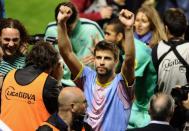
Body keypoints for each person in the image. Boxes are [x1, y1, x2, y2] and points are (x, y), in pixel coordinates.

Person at [57, 4, 135, 130]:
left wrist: (128, 28)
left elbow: (130, 59)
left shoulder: (122, 84)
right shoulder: (87, 77)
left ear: (116, 62)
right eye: (98, 58)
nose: (102, 62)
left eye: (107, 58)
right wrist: (61, 24)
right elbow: (67, 53)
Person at [104, 18, 157, 128]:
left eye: (108, 34)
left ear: (119, 36)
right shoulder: (119, 49)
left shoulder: (138, 53)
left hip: (143, 111)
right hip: (132, 106)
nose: (105, 38)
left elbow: (126, 86)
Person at [0, 42, 62, 131]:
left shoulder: (9, 75)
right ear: (52, 65)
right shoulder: (49, 83)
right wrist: (58, 80)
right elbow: (63, 112)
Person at [45, 2, 104, 86]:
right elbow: (53, 67)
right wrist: (78, 64)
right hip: (60, 83)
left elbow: (107, 64)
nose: (66, 31)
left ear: (77, 18)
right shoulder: (52, 30)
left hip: (88, 84)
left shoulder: (91, 29)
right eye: (62, 25)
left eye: (69, 27)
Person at [152, 8, 189, 94]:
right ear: (185, 27)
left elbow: (152, 82)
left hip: (164, 105)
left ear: (166, 28)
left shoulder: (157, 49)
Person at [0, 18, 29, 87]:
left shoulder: (26, 60)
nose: (11, 44)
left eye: (15, 40)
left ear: (21, 39)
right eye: (6, 39)